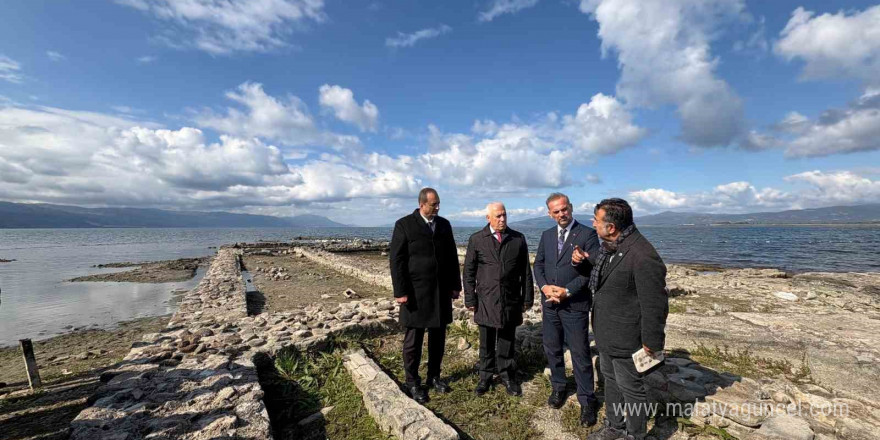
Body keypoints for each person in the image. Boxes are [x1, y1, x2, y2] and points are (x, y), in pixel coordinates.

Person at [578, 198, 668, 440]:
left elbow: (656, 304)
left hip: (628, 338)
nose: (592, 223)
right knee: (611, 382)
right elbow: (608, 275)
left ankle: (635, 435)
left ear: (611, 227)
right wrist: (587, 258)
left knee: (632, 389)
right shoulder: (613, 246)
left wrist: (652, 341)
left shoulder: (642, 254)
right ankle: (614, 427)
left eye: (596, 220)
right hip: (607, 334)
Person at [533, 193, 601, 426]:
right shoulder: (546, 235)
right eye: (556, 211)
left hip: (575, 304)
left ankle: (587, 400)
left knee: (580, 354)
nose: (562, 214)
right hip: (550, 304)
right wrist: (544, 288)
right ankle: (559, 387)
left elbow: (591, 271)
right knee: (552, 349)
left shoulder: (588, 234)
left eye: (564, 209)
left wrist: (567, 291)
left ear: (571, 208)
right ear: (550, 214)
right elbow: (538, 264)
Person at [390, 187, 463, 404]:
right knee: (414, 340)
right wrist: (400, 291)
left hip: (440, 292)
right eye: (434, 204)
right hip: (415, 293)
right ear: (422, 204)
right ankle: (412, 382)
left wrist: (455, 285)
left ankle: (434, 376)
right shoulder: (404, 224)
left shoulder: (444, 225)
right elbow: (397, 260)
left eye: (439, 203)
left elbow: (451, 256)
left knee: (438, 337)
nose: (438, 207)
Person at [463, 202, 534, 396]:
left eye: (504, 215)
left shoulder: (518, 239)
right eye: (498, 216)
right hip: (485, 299)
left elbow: (526, 272)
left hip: (510, 299)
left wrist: (527, 298)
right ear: (488, 218)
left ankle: (507, 376)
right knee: (486, 342)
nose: (502, 219)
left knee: (507, 340)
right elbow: (468, 271)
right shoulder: (477, 239)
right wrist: (470, 299)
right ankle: (485, 377)